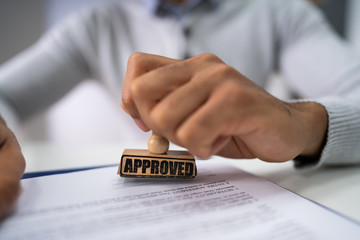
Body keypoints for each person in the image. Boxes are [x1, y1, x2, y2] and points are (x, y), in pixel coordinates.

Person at [1, 0, 360, 219]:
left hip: (244, 200)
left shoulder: (282, 13)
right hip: (135, 207)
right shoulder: (95, 25)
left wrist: (303, 123)